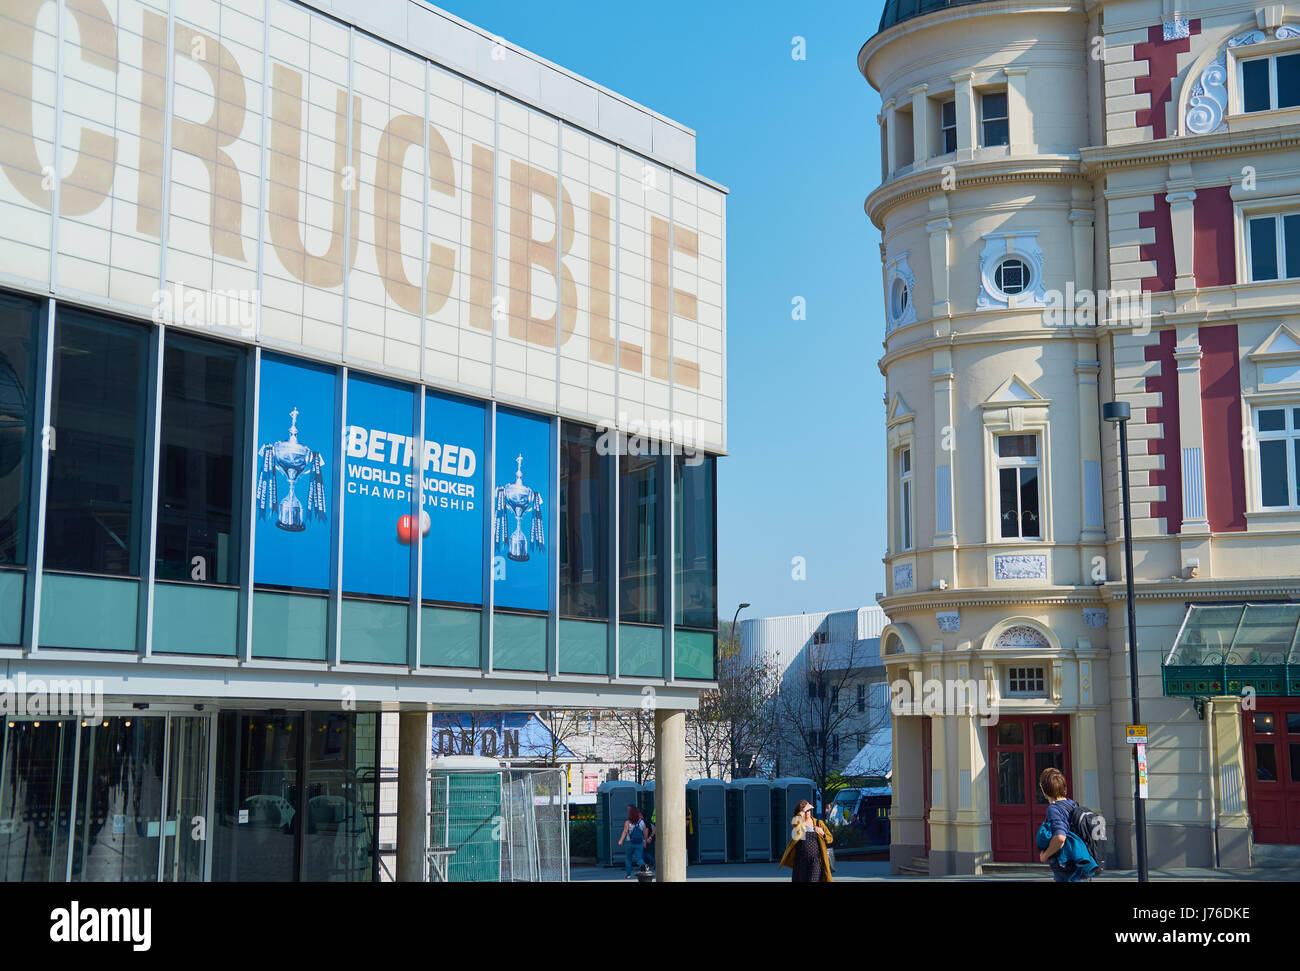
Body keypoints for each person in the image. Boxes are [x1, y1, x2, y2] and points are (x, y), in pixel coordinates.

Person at [1036, 767, 1098, 882]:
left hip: (1067, 867)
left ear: (1044, 789)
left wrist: (1045, 855)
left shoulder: (1054, 809)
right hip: (1079, 863)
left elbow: (1060, 838)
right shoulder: (1072, 804)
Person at [777, 799, 834, 882]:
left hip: (816, 860)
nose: (807, 812)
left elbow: (830, 839)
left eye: (809, 810)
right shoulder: (798, 824)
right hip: (801, 861)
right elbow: (795, 823)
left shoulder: (818, 823)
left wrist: (822, 833)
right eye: (805, 810)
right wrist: (803, 810)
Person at [617, 805, 647, 879]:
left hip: (629, 842)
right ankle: (643, 865)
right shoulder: (641, 822)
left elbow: (625, 831)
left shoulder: (628, 822)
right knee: (639, 858)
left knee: (628, 858)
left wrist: (621, 840)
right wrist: (645, 841)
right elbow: (645, 833)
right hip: (639, 842)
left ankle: (628, 875)